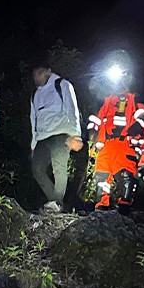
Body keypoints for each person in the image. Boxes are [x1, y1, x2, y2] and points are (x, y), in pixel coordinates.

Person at [88, 68, 144, 215]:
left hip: (125, 143)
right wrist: (93, 131)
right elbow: (97, 118)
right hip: (106, 145)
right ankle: (101, 207)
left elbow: (143, 115)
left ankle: (125, 207)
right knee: (101, 177)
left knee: (127, 178)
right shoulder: (106, 100)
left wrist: (138, 125)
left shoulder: (134, 98)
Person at [29, 60, 83, 213]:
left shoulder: (62, 85)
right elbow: (34, 119)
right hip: (42, 137)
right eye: (34, 75)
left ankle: (56, 203)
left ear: (48, 71)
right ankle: (55, 200)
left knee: (59, 167)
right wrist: (33, 144)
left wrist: (75, 135)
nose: (36, 78)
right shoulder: (35, 94)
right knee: (37, 169)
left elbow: (72, 108)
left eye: (39, 73)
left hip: (61, 134)